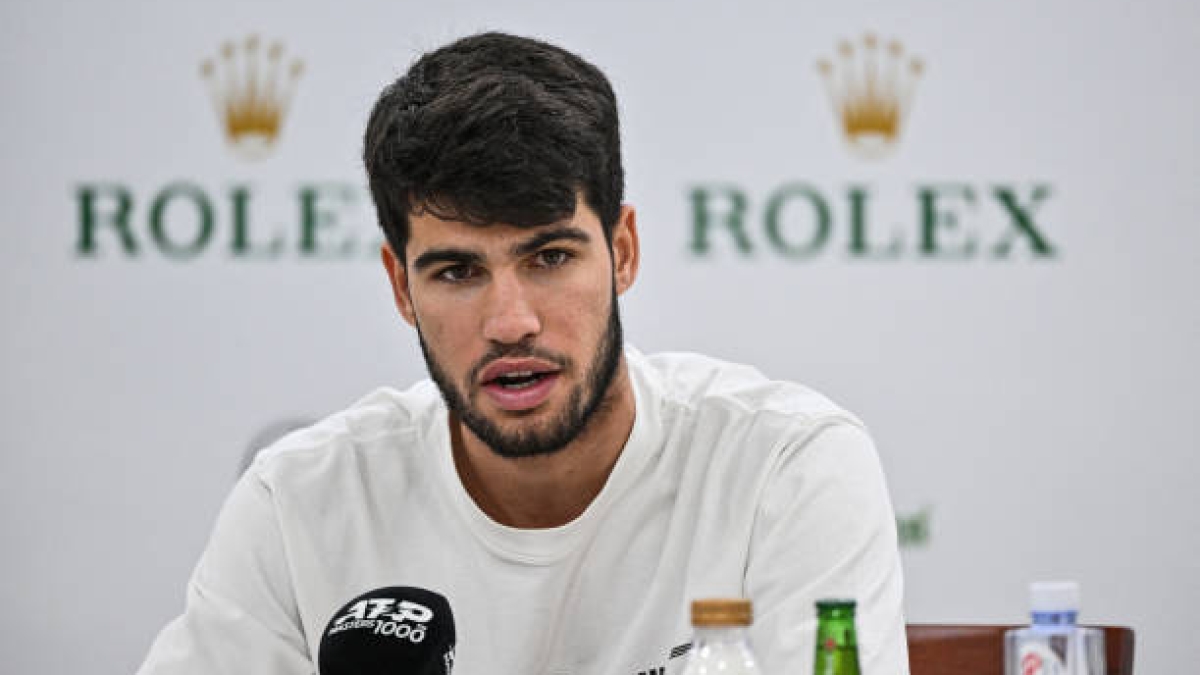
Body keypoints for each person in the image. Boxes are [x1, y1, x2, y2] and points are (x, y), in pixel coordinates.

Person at [138, 32, 908, 674]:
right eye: (457, 271)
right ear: (401, 286)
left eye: (549, 258)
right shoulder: (299, 505)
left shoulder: (788, 467)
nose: (511, 323)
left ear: (623, 250)